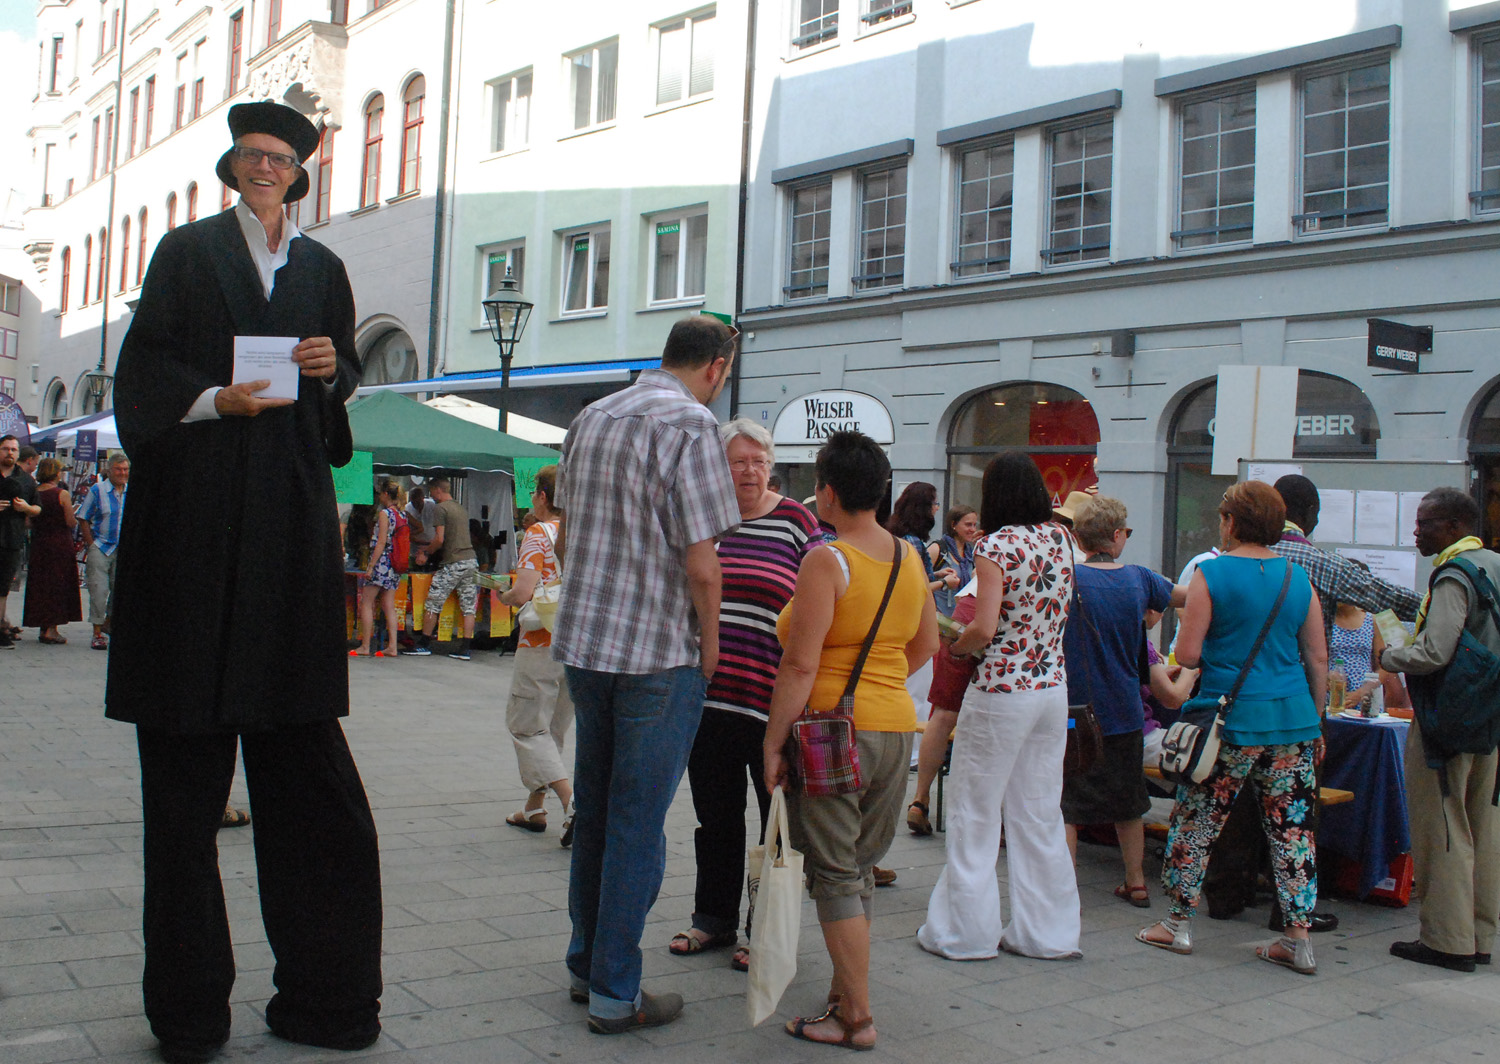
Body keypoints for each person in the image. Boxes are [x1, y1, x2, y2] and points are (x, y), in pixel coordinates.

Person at [107, 101, 382, 1063]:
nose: (265, 168)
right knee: (182, 802)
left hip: (285, 550)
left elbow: (342, 376)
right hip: (190, 541)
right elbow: (140, 374)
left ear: (301, 175)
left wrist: (327, 368)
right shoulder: (186, 253)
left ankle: (329, 999)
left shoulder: (323, 269)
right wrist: (210, 398)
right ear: (233, 168)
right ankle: (188, 1018)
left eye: (282, 158)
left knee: (317, 794)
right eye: (252, 156)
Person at [551, 314, 739, 1034]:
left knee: (596, 812)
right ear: (716, 368)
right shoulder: (691, 427)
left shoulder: (593, 416)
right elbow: (702, 561)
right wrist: (711, 645)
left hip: (588, 646)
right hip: (660, 652)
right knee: (637, 824)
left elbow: (567, 531)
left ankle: (584, 965)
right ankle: (615, 992)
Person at [764, 431, 937, 1052]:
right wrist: (880, 687)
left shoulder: (827, 559)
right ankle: (843, 991)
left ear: (830, 492)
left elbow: (799, 666)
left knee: (835, 874)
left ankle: (856, 1017)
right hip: (893, 726)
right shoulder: (908, 557)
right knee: (858, 867)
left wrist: (773, 742)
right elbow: (926, 646)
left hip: (835, 733)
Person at [1137, 481, 1327, 976]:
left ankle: (1177, 923)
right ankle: (1298, 939)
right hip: (1293, 722)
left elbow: (1192, 653)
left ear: (1231, 522)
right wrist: (1317, 718)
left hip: (1230, 721)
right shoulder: (1297, 577)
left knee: (1198, 822)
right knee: (1292, 831)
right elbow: (1317, 656)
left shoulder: (1211, 574)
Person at [917, 452, 1081, 963]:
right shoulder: (1061, 539)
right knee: (1038, 813)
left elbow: (984, 627)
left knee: (975, 810)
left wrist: (958, 643)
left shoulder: (994, 546)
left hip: (1002, 689)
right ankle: (1048, 933)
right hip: (1051, 688)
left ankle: (964, 933)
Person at [673, 418, 822, 970]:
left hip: (771, 701)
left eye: (759, 461)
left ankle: (765, 930)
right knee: (715, 816)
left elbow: (825, 594)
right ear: (719, 467)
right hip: (707, 697)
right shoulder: (705, 519)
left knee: (775, 820)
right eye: (739, 462)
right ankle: (712, 918)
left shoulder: (796, 522)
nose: (751, 472)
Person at [1379, 487, 1500, 973]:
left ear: (1453, 527)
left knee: (1444, 825)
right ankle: (1481, 932)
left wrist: (1389, 656)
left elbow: (1435, 652)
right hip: (1489, 713)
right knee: (1484, 825)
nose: (1416, 531)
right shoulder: (1493, 563)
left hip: (1448, 717)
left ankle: (1448, 940)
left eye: (1425, 522)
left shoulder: (1454, 574)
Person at [1060, 496, 1183, 907]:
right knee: (1129, 801)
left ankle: (1063, 888)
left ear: (1078, 537)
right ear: (1116, 536)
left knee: (1068, 804)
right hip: (1126, 712)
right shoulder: (1141, 580)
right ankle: (1136, 881)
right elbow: (1186, 598)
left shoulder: (1066, 578)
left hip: (1073, 715)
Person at [497, 464, 575, 843]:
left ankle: (572, 804)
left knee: (526, 725)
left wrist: (505, 595)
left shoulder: (537, 533)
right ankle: (534, 806)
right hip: (577, 643)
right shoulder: (583, 530)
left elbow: (525, 590)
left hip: (541, 641)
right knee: (553, 729)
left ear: (543, 496)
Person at [402, 478, 478, 661]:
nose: (431, 496)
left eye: (431, 491)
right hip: (470, 560)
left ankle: (424, 643)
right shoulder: (460, 508)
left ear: (437, 490)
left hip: (452, 563)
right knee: (468, 607)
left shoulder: (440, 509)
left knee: (433, 602)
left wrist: (426, 552)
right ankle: (465, 648)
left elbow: (440, 539)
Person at [22, 457, 81, 643]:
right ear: (56, 473)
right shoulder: (61, 494)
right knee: (57, 585)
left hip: (40, 543)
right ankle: (52, 629)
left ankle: (42, 626)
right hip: (59, 544)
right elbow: (70, 521)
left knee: (41, 585)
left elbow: (28, 521)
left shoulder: (34, 492)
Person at [76, 453, 130, 650]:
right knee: (98, 590)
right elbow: (83, 516)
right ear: (109, 470)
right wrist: (91, 543)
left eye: (125, 470)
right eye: (118, 469)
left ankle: (109, 623)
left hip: (123, 548)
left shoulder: (130, 490)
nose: (122, 473)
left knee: (120, 591)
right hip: (102, 546)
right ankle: (97, 632)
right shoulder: (99, 489)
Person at [0, 434, 42, 648]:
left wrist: (26, 508)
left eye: (13, 449)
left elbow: (37, 508)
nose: (10, 452)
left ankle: (0, 628)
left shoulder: (26, 480)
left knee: (3, 586)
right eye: (6, 448)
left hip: (11, 539)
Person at [355, 481, 402, 657]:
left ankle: (365, 645)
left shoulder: (385, 513)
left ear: (386, 494)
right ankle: (392, 646)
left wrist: (371, 566)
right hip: (394, 564)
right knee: (389, 605)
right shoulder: (401, 514)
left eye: (381, 494)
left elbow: (381, 542)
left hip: (381, 562)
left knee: (367, 603)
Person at [885, 481, 958, 595]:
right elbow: (914, 586)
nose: (937, 508)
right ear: (924, 508)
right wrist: (944, 582)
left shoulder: (900, 535)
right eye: (935, 504)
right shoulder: (912, 542)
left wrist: (936, 574)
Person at [929, 504, 979, 617]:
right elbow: (920, 582)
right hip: (939, 622)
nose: (973, 529)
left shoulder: (971, 555)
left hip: (962, 621)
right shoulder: (938, 549)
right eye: (968, 525)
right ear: (953, 525)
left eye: (975, 525)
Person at [405, 485, 437, 568]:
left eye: (418, 501)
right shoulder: (407, 509)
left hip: (431, 545)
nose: (416, 504)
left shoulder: (432, 506)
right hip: (416, 546)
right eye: (413, 502)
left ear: (422, 498)